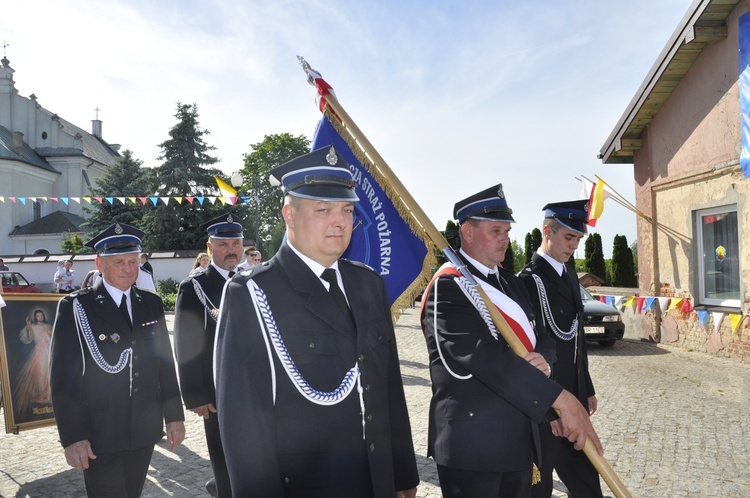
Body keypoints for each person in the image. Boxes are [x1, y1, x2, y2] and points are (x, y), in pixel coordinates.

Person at [214, 145, 419, 497]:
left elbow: (386, 388)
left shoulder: (369, 284)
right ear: (288, 215)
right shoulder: (252, 293)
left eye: (347, 210)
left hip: (377, 482)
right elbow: (244, 422)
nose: (340, 221)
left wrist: (402, 474)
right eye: (323, 209)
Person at [420, 184, 602, 498]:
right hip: (474, 446)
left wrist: (544, 358)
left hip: (520, 440)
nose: (505, 238)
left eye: (506, 230)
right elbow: (488, 361)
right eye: (496, 230)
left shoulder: (509, 282)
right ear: (468, 232)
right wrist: (560, 400)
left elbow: (543, 337)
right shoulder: (449, 288)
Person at [49, 222, 185, 498]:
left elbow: (165, 365)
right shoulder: (77, 306)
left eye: (133, 261)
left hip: (144, 429)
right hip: (100, 432)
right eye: (119, 262)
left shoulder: (151, 303)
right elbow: (64, 378)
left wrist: (174, 416)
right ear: (100, 263)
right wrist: (74, 437)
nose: (128, 268)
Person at [518, 200, 604, 498]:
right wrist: (548, 411)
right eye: (569, 237)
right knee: (537, 490)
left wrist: (586, 388)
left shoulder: (568, 274)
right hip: (546, 410)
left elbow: (576, 340)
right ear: (547, 232)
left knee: (588, 486)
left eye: (578, 240)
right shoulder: (528, 281)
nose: (574, 246)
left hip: (574, 403)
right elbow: (528, 355)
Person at [174, 213, 245, 498]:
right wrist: (195, 395)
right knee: (224, 458)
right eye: (224, 243)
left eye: (236, 243)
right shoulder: (194, 287)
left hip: (256, 388)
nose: (231, 250)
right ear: (210, 247)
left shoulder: (254, 280)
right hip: (218, 393)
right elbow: (186, 344)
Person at [13, 309, 53, 416]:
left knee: (50, 371)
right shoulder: (33, 327)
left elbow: (54, 336)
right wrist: (28, 326)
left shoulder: (48, 325)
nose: (40, 317)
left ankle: (50, 392)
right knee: (41, 372)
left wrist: (50, 332)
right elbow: (27, 338)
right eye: (38, 316)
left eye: (41, 315)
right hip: (39, 352)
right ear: (35, 317)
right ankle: (43, 393)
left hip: (49, 350)